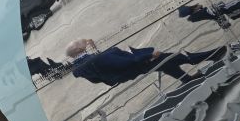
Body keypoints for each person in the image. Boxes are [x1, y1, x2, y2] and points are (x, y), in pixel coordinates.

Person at [66, 38, 226, 87]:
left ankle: (187, 79)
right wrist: (147, 56)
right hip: (136, 64)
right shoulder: (94, 59)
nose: (85, 42)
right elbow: (121, 64)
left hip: (125, 73)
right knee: (172, 57)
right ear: (79, 51)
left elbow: (98, 77)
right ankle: (212, 54)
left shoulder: (81, 66)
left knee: (166, 63)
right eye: (82, 43)